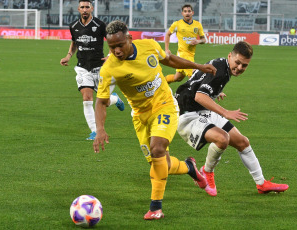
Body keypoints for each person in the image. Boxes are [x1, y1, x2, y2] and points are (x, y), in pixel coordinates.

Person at [93, 20, 217, 220]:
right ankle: (189, 167)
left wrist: (198, 66)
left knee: (157, 148)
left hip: (164, 104)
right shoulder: (109, 69)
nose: (116, 51)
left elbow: (169, 60)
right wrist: (100, 128)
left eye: (119, 45)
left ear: (129, 39)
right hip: (140, 116)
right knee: (161, 164)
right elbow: (101, 101)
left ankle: (155, 208)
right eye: (111, 47)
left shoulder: (149, 45)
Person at [175, 41, 289, 196]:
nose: (240, 68)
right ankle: (207, 172)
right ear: (230, 56)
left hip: (201, 109)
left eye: (245, 65)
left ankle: (262, 184)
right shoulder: (221, 71)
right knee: (222, 139)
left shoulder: (222, 64)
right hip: (187, 114)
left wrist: (215, 93)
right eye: (238, 63)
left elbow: (200, 82)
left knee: (242, 142)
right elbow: (200, 95)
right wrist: (225, 112)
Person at [60, 0, 125, 141]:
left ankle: (115, 99)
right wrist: (68, 55)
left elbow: (112, 41)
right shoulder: (73, 26)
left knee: (105, 102)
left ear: (92, 9)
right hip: (82, 67)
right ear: (78, 9)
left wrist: (109, 55)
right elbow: (74, 42)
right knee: (87, 98)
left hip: (100, 68)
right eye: (82, 7)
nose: (84, 10)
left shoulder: (100, 25)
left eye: (87, 7)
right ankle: (94, 131)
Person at [164, 4, 206, 83]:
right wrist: (167, 49)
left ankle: (162, 82)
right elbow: (168, 34)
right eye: (185, 11)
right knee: (195, 76)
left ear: (192, 13)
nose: (187, 13)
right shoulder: (177, 24)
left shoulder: (197, 25)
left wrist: (198, 41)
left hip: (191, 55)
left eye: (189, 11)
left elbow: (204, 40)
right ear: (182, 13)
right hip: (182, 54)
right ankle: (201, 94)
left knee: (177, 78)